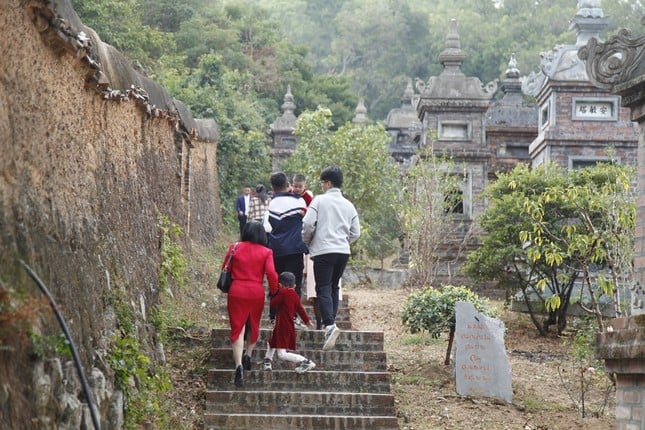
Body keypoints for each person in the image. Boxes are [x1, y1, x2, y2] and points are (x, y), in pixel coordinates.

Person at [302, 166, 360, 350]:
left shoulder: (319, 200)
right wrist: (344, 242)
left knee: (323, 287)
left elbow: (308, 224)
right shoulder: (349, 205)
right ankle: (331, 323)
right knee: (334, 286)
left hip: (323, 250)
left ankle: (329, 325)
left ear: (327, 183)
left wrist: (309, 242)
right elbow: (356, 232)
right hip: (342, 251)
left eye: (322, 183)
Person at [223, 221, 278, 387]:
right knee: (253, 324)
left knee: (238, 328)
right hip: (256, 292)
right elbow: (271, 273)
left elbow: (225, 267)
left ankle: (238, 365)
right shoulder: (266, 252)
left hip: (237, 290)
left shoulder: (234, 247)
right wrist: (274, 290)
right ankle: (248, 354)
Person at [266, 172, 308, 323]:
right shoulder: (300, 202)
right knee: (294, 284)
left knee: (276, 282)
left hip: (275, 250)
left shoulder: (270, 204)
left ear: (273, 187)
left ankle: (273, 315)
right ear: (288, 186)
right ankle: (292, 315)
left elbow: (266, 228)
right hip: (295, 249)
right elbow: (307, 224)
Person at [263, 272, 316, 372]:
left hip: (282, 326)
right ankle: (267, 360)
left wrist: (277, 292)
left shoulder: (283, 293)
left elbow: (273, 303)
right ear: (294, 285)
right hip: (285, 325)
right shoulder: (295, 295)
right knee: (272, 342)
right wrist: (307, 321)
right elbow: (300, 309)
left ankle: (306, 361)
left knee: (282, 354)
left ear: (280, 285)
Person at [292, 173, 322, 329]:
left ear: (305, 186)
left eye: (299, 187)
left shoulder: (309, 198)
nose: (296, 189)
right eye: (295, 186)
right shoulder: (290, 196)